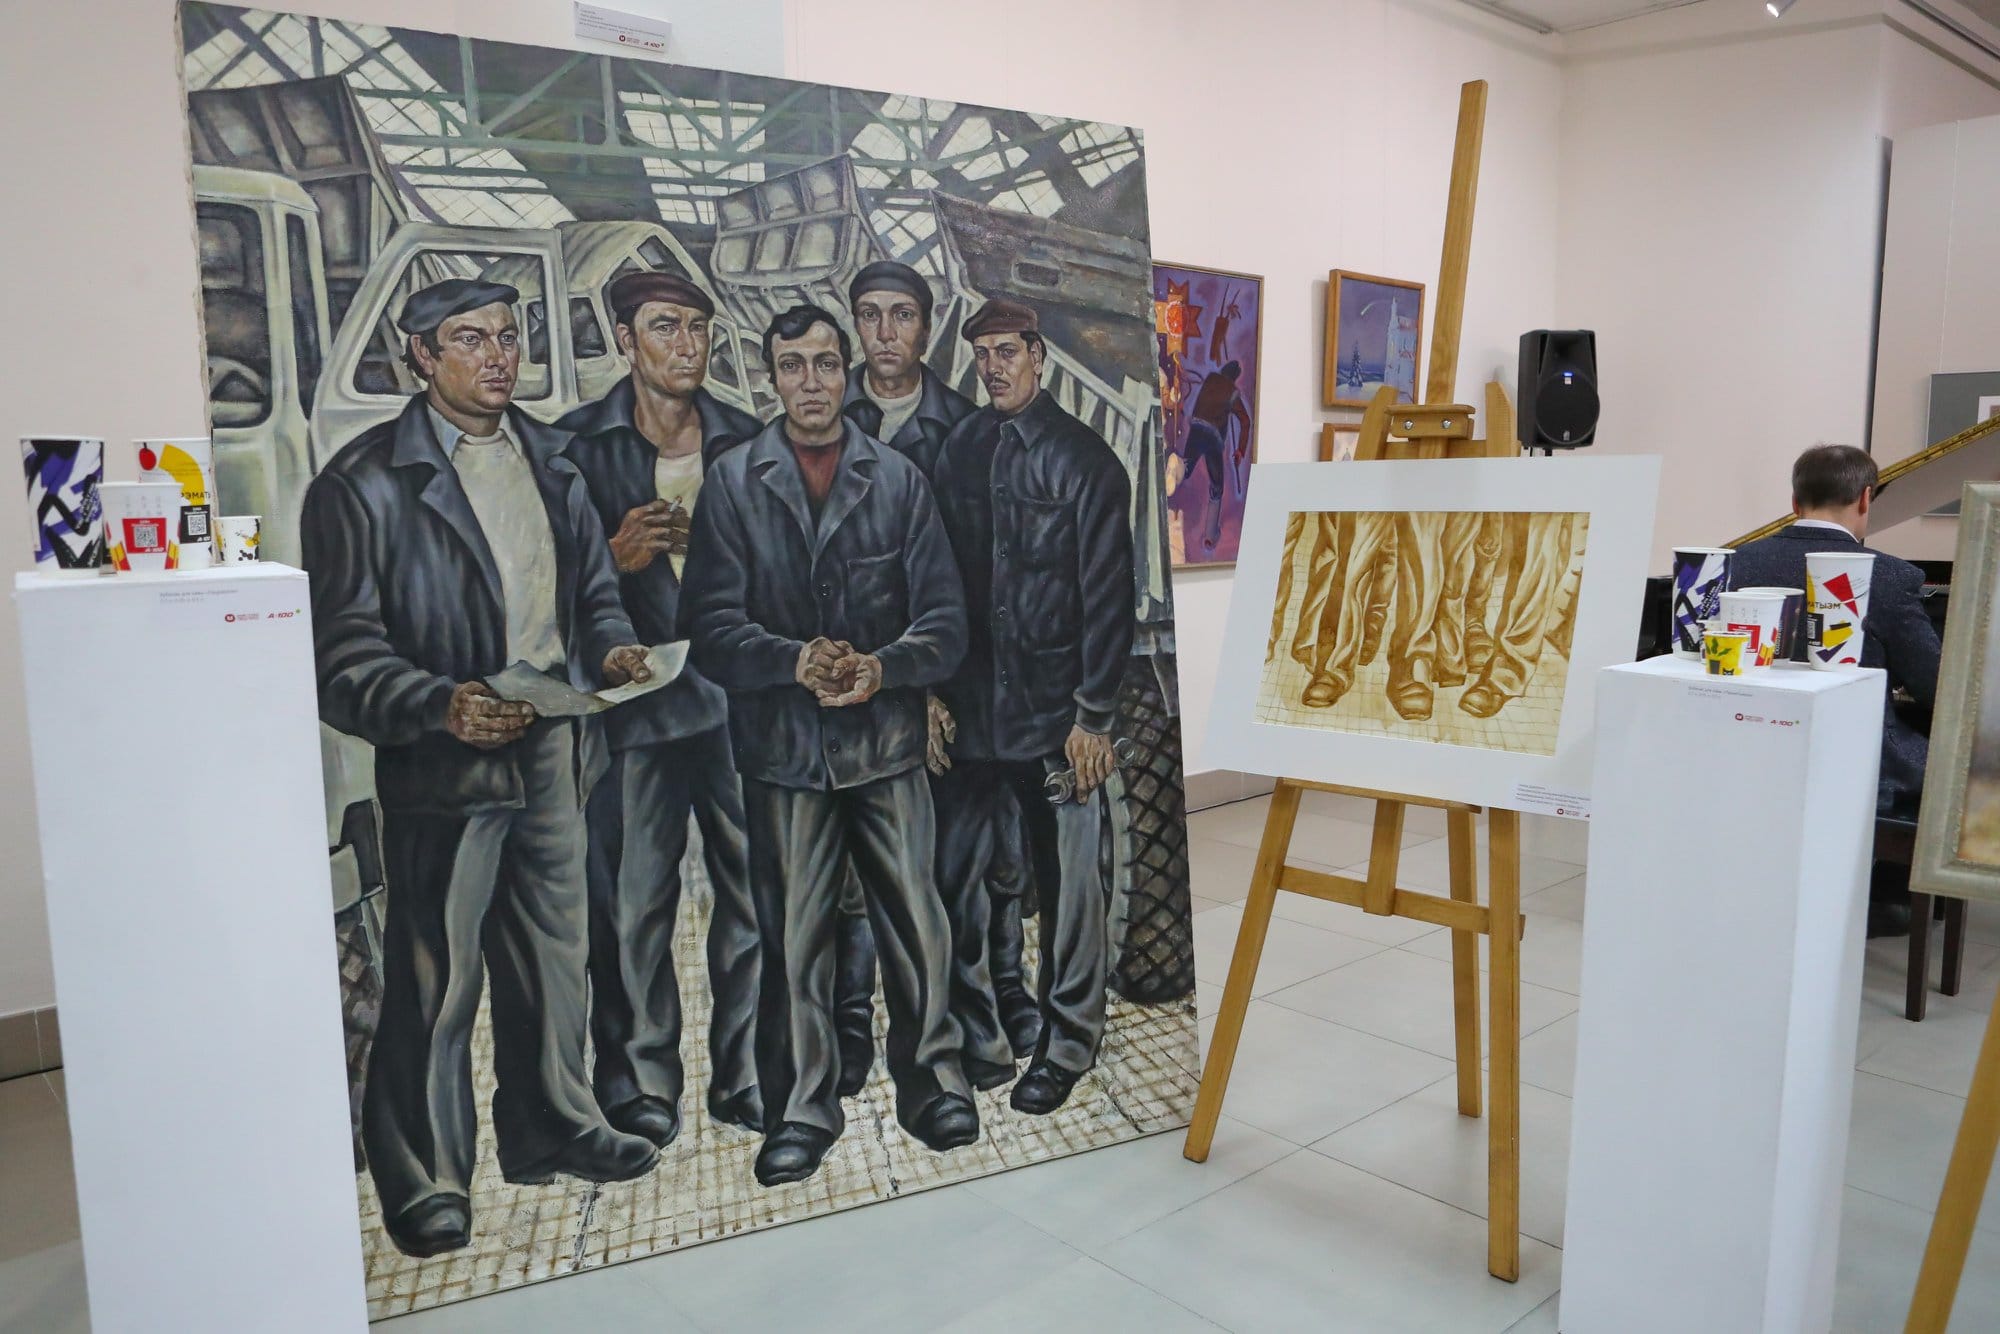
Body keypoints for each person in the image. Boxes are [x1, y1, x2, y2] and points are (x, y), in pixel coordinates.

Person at [302, 278, 660, 1258]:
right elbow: (340, 656)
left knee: (554, 954)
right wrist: (438, 704)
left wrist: (614, 652)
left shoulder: (554, 462)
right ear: (420, 356)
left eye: (508, 336)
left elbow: (593, 594)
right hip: (445, 759)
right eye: (470, 338)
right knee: (438, 975)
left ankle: (554, 1125)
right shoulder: (363, 483)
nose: (498, 355)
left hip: (552, 742)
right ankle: (425, 1179)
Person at [681, 303, 977, 1187]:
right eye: (792, 366)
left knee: (917, 923)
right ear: (769, 376)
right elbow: (709, 629)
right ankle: (802, 1112)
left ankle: (935, 1086)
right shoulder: (734, 482)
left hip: (884, 747)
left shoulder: (898, 481)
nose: (810, 383)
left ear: (846, 372)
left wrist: (883, 669)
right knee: (792, 938)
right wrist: (791, 660)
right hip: (783, 755)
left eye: (823, 364)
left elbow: (947, 624)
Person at [557, 272, 763, 1148]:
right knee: (631, 903)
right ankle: (641, 1082)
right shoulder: (575, 448)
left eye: (698, 327)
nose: (687, 344)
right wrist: (614, 556)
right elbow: (537, 591)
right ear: (624, 339)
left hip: (737, 704)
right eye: (665, 326)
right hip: (636, 712)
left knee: (755, 889)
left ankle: (749, 1071)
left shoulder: (749, 441)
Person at [931, 298, 1137, 1115]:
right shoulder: (961, 450)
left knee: (1070, 887)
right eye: (982, 353)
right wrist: (934, 692)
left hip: (1056, 716)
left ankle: (1067, 1044)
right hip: (975, 712)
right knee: (973, 877)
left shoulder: (1085, 460)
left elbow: (1109, 599)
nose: (994, 367)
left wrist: (1095, 717)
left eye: (1007, 352)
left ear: (1038, 356)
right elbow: (937, 580)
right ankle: (987, 1034)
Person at [1730, 443, 1942, 935]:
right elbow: (1937, 687)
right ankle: (1889, 898)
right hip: (1854, 762)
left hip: (1752, 750)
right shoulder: (1890, 576)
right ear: (1866, 498)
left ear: (1794, 500)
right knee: (1948, 763)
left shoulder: (1738, 562)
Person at [1172, 360, 1251, 554]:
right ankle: (1210, 535)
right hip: (1213, 437)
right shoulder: (1232, 391)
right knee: (1216, 486)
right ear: (1234, 377)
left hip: (1197, 428)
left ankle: (1177, 464)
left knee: (1186, 468)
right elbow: (1245, 421)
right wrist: (1240, 450)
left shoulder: (1210, 379)